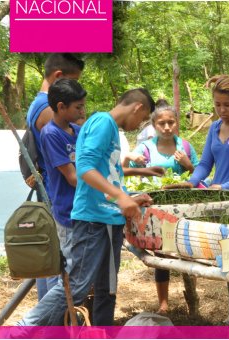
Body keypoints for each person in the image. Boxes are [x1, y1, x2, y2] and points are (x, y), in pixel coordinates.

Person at [17, 89, 156, 326]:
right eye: (142, 120)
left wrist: (129, 196)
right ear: (138, 108)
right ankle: (25, 328)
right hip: (93, 220)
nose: (138, 125)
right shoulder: (103, 122)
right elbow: (84, 169)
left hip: (109, 219)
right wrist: (121, 198)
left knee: (107, 288)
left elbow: (107, 176)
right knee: (78, 285)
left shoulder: (105, 128)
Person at [168, 76, 229, 325]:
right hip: (218, 200)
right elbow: (204, 164)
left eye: (227, 105)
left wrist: (226, 186)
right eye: (217, 105)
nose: (221, 110)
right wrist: (191, 182)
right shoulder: (214, 128)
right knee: (228, 259)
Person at [123, 99, 198, 314]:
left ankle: (192, 295)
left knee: (187, 248)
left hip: (182, 206)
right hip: (155, 208)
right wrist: (128, 157)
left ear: (177, 124)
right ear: (154, 125)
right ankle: (163, 303)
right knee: (160, 253)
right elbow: (125, 172)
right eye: (162, 123)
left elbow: (197, 175)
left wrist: (187, 164)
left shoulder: (184, 146)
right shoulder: (145, 148)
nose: (167, 127)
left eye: (171, 123)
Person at [23, 53, 85, 300]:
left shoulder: (39, 104)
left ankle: (51, 320)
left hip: (53, 194)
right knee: (61, 267)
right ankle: (51, 319)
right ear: (59, 78)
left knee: (53, 262)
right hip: (59, 197)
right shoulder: (49, 112)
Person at [38, 79, 87, 282]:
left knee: (81, 269)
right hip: (68, 211)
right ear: (61, 107)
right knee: (70, 272)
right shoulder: (51, 134)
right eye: (78, 107)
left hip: (83, 209)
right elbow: (73, 178)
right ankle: (49, 314)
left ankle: (72, 313)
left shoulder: (76, 131)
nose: (83, 112)